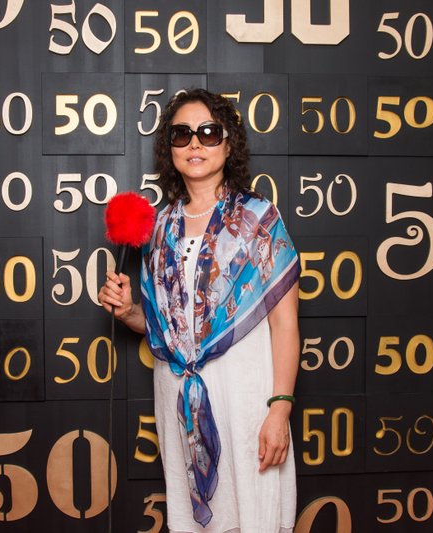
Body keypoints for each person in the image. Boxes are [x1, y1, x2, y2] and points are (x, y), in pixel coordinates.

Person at [99, 88, 300, 532]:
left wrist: (280, 409)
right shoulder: (159, 228)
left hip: (244, 399)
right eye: (182, 134)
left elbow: (285, 324)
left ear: (228, 145)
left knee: (254, 516)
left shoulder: (259, 219)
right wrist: (129, 311)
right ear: (169, 149)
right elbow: (165, 332)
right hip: (179, 401)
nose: (195, 143)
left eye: (208, 133)